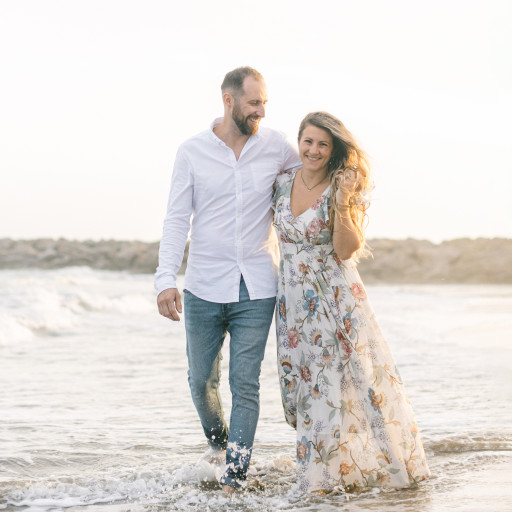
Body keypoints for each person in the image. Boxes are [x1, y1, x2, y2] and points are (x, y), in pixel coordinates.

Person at [155, 66, 301, 493]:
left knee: (245, 383)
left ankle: (235, 477)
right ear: (229, 100)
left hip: (257, 287)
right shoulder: (192, 151)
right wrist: (165, 278)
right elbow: (177, 218)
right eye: (253, 102)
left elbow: (311, 172)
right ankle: (219, 445)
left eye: (264, 103)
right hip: (203, 285)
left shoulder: (276, 147)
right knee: (201, 381)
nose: (260, 111)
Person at [272, 111, 430, 493]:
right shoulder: (280, 183)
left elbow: (345, 250)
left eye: (323, 144)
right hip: (292, 304)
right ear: (299, 142)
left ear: (333, 149)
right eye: (308, 141)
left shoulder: (341, 185)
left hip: (334, 298)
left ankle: (320, 482)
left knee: (343, 383)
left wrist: (342, 199)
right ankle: (334, 471)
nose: (313, 150)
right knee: (305, 385)